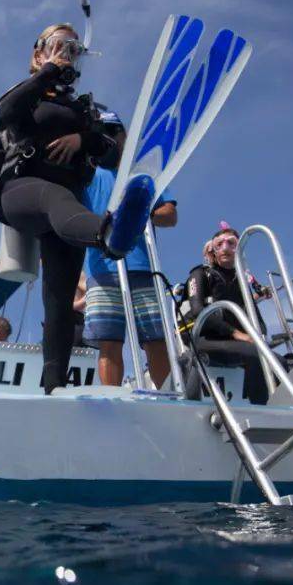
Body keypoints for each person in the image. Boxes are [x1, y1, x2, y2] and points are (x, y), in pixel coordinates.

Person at [0, 23, 156, 394]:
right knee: (56, 198)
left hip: (68, 214)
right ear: (38, 53)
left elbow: (115, 153)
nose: (66, 52)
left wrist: (82, 138)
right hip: (23, 191)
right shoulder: (30, 93)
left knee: (60, 298)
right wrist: (48, 70)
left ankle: (54, 387)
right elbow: (8, 111)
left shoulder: (82, 109)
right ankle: (109, 234)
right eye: (57, 45)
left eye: (73, 47)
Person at [81, 111, 177, 388]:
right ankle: (113, 401)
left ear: (124, 136)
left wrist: (137, 212)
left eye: (113, 131)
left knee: (155, 339)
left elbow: (169, 214)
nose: (108, 138)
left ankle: (167, 399)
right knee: (108, 342)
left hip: (142, 267)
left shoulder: (144, 174)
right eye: (102, 132)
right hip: (101, 268)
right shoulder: (86, 176)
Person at [184, 226, 279, 404]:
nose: (226, 248)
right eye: (219, 244)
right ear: (212, 250)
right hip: (202, 338)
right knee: (255, 353)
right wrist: (237, 333)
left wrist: (259, 335)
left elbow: (255, 317)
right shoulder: (199, 274)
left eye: (231, 243)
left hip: (235, 344)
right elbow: (197, 310)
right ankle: (259, 410)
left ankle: (291, 415)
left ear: (239, 249)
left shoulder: (241, 281)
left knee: (281, 361)